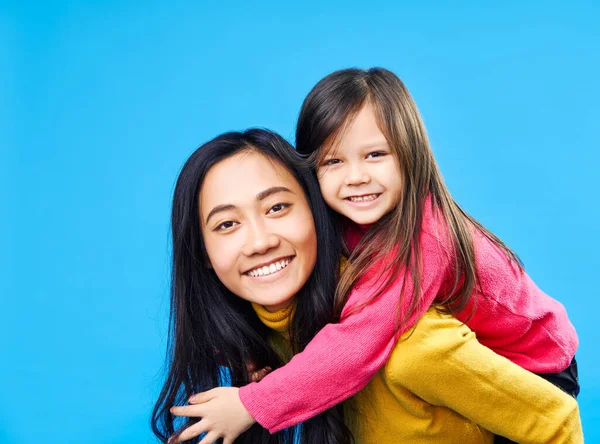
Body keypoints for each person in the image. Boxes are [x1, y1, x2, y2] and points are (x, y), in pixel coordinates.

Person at [182, 69, 580, 443]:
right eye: (333, 161)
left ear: (410, 155)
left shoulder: (425, 241)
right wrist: (252, 353)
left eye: (375, 155)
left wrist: (256, 403)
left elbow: (357, 343)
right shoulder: (343, 221)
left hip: (535, 363)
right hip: (471, 362)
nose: (356, 177)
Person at [151, 129, 352, 444]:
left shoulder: (406, 338)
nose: (260, 242)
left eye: (276, 208)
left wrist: (257, 403)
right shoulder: (260, 341)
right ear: (203, 252)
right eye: (227, 224)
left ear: (315, 210)